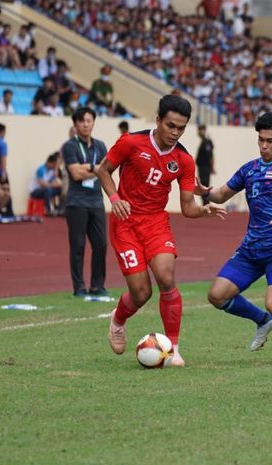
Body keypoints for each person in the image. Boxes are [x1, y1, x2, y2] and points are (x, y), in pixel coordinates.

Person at [98, 94, 226, 367]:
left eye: (181, 128)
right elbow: (104, 170)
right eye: (170, 125)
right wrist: (115, 199)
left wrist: (204, 210)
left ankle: (173, 350)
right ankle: (118, 319)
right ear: (158, 120)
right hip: (126, 223)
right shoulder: (131, 143)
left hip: (156, 222)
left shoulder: (184, 160)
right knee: (141, 293)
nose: (175, 132)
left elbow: (188, 207)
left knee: (166, 278)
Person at [200, 112, 272, 358]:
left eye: (270, 141)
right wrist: (202, 190)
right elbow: (220, 195)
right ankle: (262, 321)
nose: (264, 146)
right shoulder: (249, 169)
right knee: (216, 296)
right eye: (261, 140)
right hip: (251, 249)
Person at [61, 107, 108, 298]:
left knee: (101, 244)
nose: (85, 124)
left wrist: (89, 168)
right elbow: (75, 173)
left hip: (96, 201)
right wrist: (95, 168)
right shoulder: (70, 146)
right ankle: (79, 287)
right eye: (81, 121)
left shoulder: (101, 146)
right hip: (77, 202)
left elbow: (106, 171)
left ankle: (97, 285)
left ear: (93, 122)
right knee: (78, 245)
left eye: (89, 120)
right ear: (75, 124)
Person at [195, 124, 214, 204]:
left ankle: (206, 204)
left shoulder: (206, 142)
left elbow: (210, 155)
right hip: (202, 167)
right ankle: (205, 203)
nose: (200, 132)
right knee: (203, 185)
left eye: (201, 130)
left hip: (205, 168)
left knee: (204, 186)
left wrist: (212, 167)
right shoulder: (203, 142)